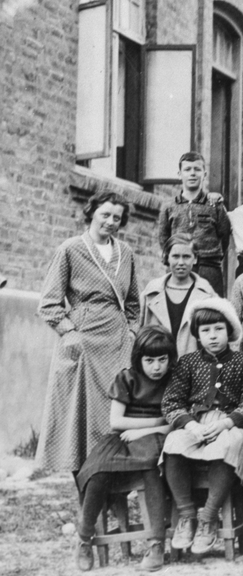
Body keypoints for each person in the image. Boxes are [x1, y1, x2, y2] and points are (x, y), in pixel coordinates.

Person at [38, 191, 141, 474]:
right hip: (83, 340)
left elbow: (133, 302)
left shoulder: (126, 253)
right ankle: (88, 502)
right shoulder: (70, 249)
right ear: (92, 212)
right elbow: (48, 302)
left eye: (116, 218)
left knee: (113, 414)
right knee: (79, 419)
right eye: (105, 214)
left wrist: (131, 332)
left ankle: (112, 494)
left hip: (117, 343)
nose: (110, 221)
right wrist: (69, 332)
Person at [160, 299, 243, 558]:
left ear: (230, 331)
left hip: (232, 423)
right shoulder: (188, 363)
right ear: (197, 335)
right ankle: (187, 514)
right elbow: (171, 402)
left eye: (218, 329)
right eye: (206, 331)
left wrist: (227, 422)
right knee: (173, 443)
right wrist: (190, 424)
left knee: (229, 444)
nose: (213, 336)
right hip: (196, 423)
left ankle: (209, 516)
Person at [74, 327, 177, 572]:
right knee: (98, 471)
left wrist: (150, 429)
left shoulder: (174, 379)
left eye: (162, 360)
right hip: (122, 439)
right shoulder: (127, 378)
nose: (156, 367)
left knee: (153, 468)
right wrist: (155, 423)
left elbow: (176, 422)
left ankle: (156, 543)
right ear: (138, 359)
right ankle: (83, 538)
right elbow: (117, 422)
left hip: (155, 440)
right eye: (149, 360)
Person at [157, 152, 231, 294]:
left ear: (204, 174)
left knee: (209, 309)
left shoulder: (215, 205)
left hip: (208, 267)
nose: (192, 174)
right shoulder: (169, 206)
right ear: (179, 174)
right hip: (180, 265)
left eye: (197, 169)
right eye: (187, 169)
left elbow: (225, 235)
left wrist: (212, 256)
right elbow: (163, 238)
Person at [140, 233, 217, 355]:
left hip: (193, 368)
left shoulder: (207, 294)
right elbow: (139, 331)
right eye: (175, 256)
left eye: (186, 256)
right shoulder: (151, 292)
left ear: (195, 258)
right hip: (157, 366)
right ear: (167, 257)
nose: (181, 262)